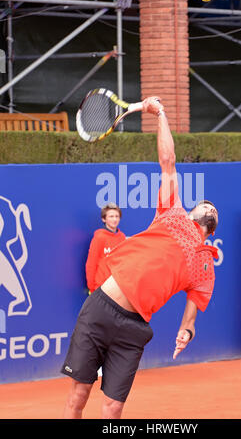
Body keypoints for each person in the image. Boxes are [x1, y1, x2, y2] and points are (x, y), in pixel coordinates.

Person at [61, 96, 219, 419]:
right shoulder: (172, 212)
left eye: (212, 210)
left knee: (113, 408)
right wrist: (160, 112)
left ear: (211, 229)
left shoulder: (205, 267)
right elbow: (168, 159)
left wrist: (185, 333)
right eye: (204, 204)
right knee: (78, 396)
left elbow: (190, 319)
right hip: (101, 309)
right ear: (192, 211)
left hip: (133, 329)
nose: (208, 207)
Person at [85, 203, 126, 294]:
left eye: (117, 216)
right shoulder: (99, 237)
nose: (115, 219)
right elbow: (91, 263)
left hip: (117, 287)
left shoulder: (122, 237)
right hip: (101, 287)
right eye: (111, 216)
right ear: (104, 219)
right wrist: (91, 287)